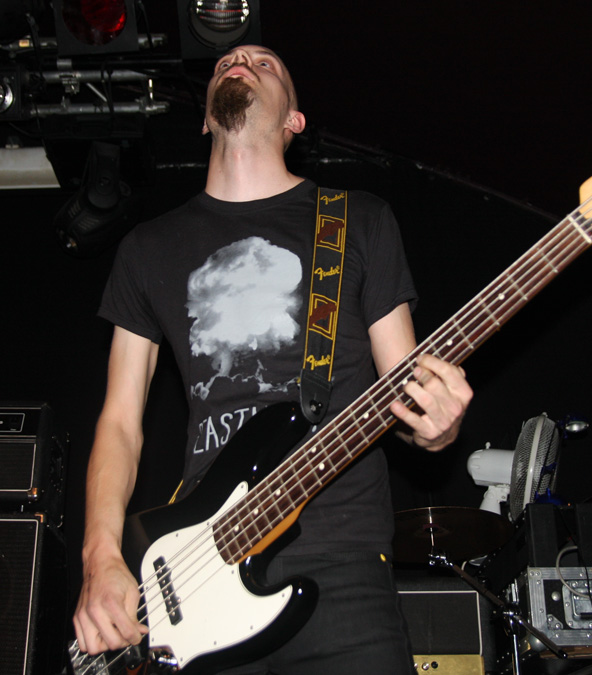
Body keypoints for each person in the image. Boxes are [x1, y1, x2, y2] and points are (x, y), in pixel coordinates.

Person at [72, 44, 472, 674]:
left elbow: (406, 386)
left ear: (294, 120)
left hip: (341, 564)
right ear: (205, 118)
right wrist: (101, 558)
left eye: (266, 64)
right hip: (199, 571)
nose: (241, 60)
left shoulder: (358, 220)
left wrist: (435, 426)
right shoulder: (146, 248)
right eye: (227, 61)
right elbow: (120, 422)